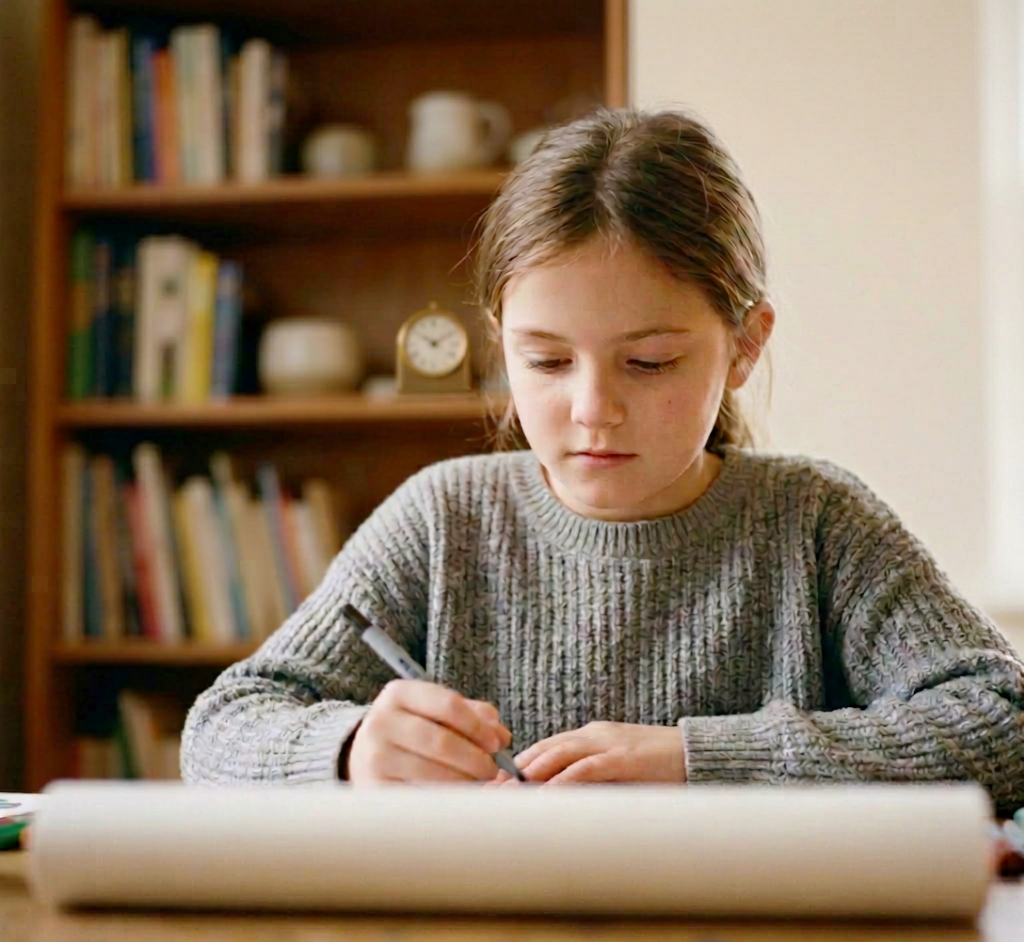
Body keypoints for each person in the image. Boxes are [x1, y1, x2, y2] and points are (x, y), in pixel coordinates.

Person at [181, 108, 1024, 813]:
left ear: (744, 346)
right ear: (499, 344)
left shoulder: (816, 523)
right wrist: (354, 748)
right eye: (545, 362)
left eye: (649, 362)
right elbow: (222, 728)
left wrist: (699, 761)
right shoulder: (443, 519)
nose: (591, 410)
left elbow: (1004, 719)